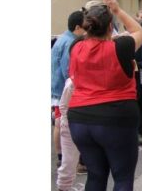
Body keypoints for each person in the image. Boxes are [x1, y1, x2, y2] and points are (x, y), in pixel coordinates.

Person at [67, 0, 142, 191]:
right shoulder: (121, 47)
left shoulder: (76, 47)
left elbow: (89, 36)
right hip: (116, 118)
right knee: (122, 177)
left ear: (87, 26)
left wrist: (96, 15)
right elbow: (138, 30)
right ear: (111, 27)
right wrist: (116, 10)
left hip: (80, 119)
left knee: (95, 175)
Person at [51, 10, 84, 168]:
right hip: (62, 91)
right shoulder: (69, 42)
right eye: (85, 27)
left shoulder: (62, 38)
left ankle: (62, 156)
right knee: (61, 124)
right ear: (77, 27)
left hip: (57, 89)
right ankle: (64, 158)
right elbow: (68, 70)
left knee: (59, 123)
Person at [56, 78, 82, 191]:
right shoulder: (72, 81)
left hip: (87, 124)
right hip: (71, 125)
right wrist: (67, 124)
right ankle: (63, 187)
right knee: (69, 161)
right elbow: (63, 106)